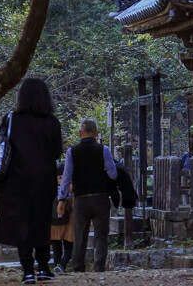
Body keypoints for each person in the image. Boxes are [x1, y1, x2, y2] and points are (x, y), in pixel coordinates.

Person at [0, 78, 63, 284]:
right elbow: (56, 152)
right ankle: (43, 267)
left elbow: (1, 146)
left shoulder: (11, 119)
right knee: (41, 222)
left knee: (21, 224)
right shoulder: (52, 122)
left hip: (16, 180)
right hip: (43, 180)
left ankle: (27, 270)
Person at [57, 117, 117, 273]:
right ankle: (99, 268)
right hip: (100, 197)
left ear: (79, 133)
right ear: (96, 133)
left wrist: (61, 199)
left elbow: (66, 177)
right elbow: (113, 174)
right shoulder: (103, 150)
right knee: (101, 236)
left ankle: (78, 268)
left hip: (81, 200)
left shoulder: (72, 151)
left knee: (80, 236)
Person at [51, 164, 74, 273]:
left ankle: (57, 266)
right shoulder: (70, 186)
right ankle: (61, 265)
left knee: (56, 249)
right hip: (69, 222)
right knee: (69, 248)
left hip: (53, 222)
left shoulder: (49, 186)